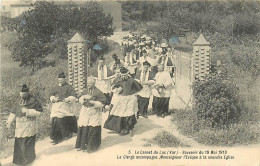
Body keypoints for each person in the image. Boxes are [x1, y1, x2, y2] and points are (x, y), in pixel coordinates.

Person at [6, 84, 43, 165]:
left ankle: (28, 159)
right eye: (21, 93)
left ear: (27, 93)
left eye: (24, 93)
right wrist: (9, 121)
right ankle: (19, 160)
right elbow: (13, 112)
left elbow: (39, 112)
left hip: (30, 124)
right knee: (19, 142)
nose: (22, 95)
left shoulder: (33, 100)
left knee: (28, 142)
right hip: (20, 125)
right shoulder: (17, 101)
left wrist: (28, 111)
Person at [104, 67, 143, 136]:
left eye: (124, 75)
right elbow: (113, 87)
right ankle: (121, 128)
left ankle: (130, 128)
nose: (123, 76)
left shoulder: (131, 80)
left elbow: (139, 88)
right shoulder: (119, 80)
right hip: (121, 98)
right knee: (120, 113)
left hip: (130, 99)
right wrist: (117, 89)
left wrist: (133, 94)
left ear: (127, 74)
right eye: (121, 75)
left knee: (130, 114)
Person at [75, 77, 106, 153]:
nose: (88, 84)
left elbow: (103, 102)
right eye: (87, 83)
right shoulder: (85, 90)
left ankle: (92, 146)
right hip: (85, 110)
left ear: (94, 83)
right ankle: (83, 145)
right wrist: (83, 98)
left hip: (94, 111)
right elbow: (79, 98)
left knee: (93, 127)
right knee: (84, 127)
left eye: (90, 83)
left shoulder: (98, 92)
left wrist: (95, 103)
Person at [49, 71, 78, 144]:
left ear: (65, 79)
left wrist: (68, 99)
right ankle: (56, 137)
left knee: (66, 117)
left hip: (66, 105)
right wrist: (53, 98)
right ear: (58, 80)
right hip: (58, 106)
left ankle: (68, 133)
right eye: (59, 80)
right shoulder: (55, 87)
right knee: (56, 119)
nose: (60, 81)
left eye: (62, 79)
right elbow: (51, 95)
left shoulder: (69, 87)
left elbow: (74, 96)